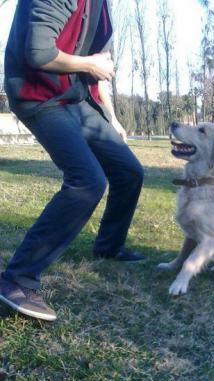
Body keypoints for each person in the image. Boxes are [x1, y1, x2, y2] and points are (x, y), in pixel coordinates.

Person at [0, 0, 145, 322]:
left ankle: (109, 245)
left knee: (129, 171)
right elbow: (39, 53)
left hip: (74, 99)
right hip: (39, 96)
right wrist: (90, 65)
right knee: (87, 181)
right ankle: (17, 279)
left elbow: (95, 70)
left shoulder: (101, 7)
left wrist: (112, 118)